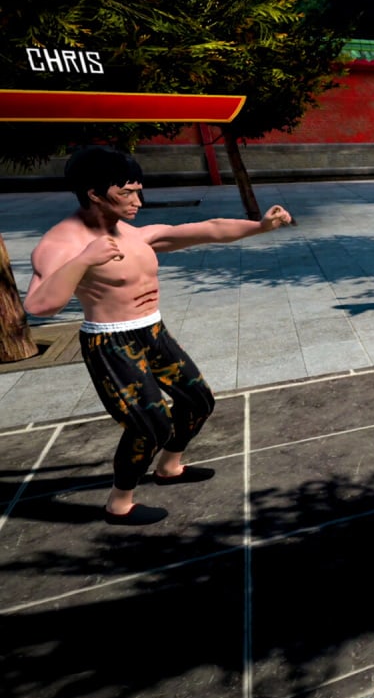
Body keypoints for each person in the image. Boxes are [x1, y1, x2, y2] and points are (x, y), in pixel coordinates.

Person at [23, 147, 294, 526]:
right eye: (126, 193)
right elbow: (40, 305)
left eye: (138, 191)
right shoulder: (62, 244)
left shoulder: (130, 232)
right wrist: (83, 260)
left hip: (152, 329)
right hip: (112, 342)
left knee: (198, 401)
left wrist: (260, 227)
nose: (138, 202)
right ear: (94, 193)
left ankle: (169, 467)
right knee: (149, 425)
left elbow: (207, 230)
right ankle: (119, 504)